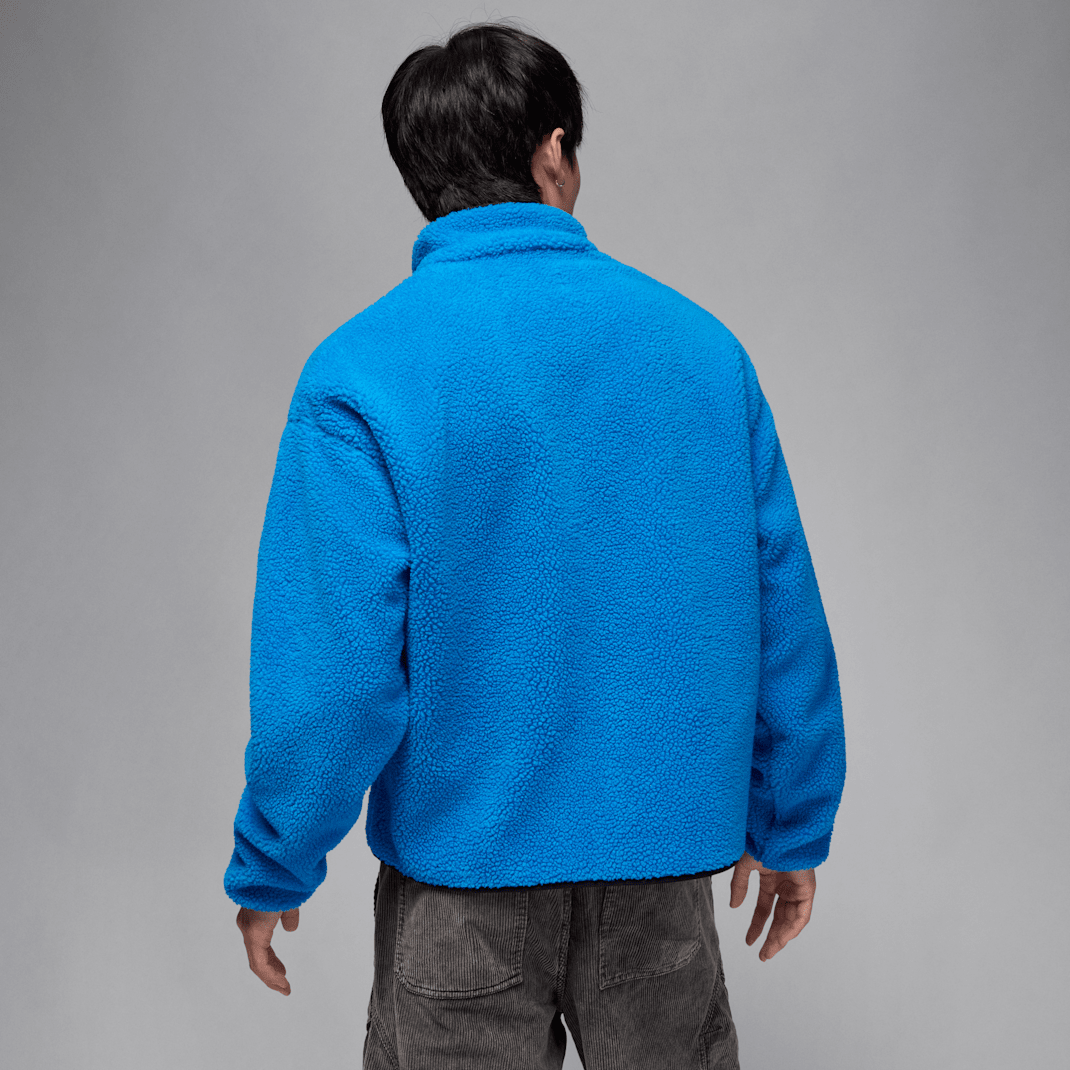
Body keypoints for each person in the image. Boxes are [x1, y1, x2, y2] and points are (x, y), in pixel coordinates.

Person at [226, 19, 846, 1070]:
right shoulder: (701, 351)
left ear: (420, 176)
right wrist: (788, 821)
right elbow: (780, 609)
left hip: (458, 889)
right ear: (553, 151)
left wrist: (273, 861)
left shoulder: (361, 370)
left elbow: (331, 678)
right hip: (657, 883)